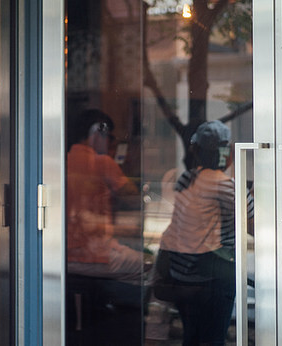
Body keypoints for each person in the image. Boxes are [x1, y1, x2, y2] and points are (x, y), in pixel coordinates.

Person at [156, 120, 236, 346]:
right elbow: (254, 225)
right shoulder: (225, 185)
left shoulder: (186, 178)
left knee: (191, 337)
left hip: (181, 274)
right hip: (210, 278)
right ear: (225, 152)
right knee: (213, 339)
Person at [66, 109, 143, 281]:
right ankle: (113, 305)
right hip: (93, 255)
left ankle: (99, 303)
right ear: (97, 134)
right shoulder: (102, 162)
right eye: (111, 137)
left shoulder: (64, 160)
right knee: (151, 266)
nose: (111, 143)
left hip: (64, 254)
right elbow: (133, 198)